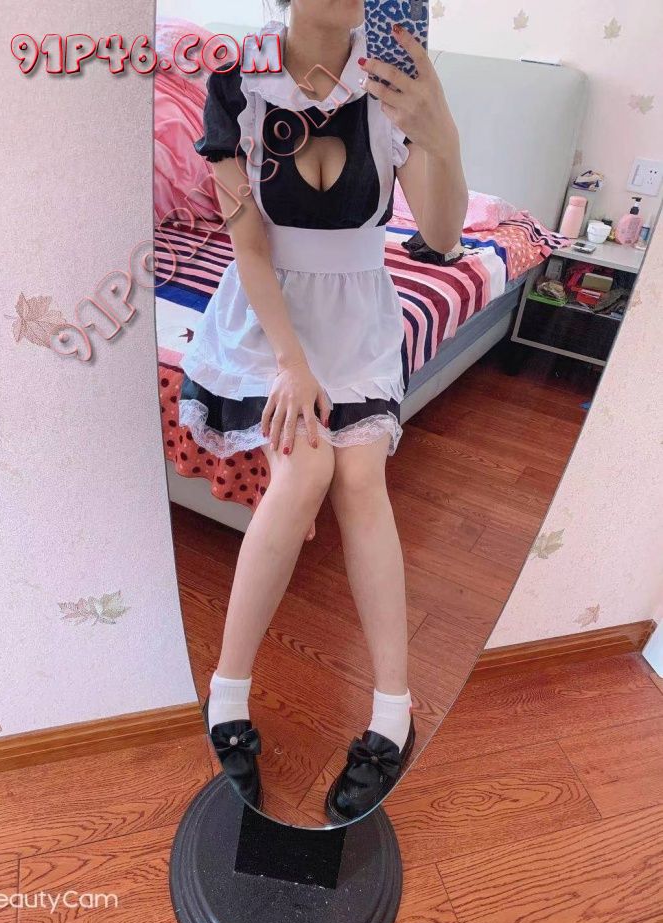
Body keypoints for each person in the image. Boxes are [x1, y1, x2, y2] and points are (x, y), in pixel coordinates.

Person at [179, 0, 467, 821]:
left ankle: (393, 715)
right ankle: (226, 700)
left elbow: (444, 235)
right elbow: (248, 241)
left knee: (361, 478)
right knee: (304, 470)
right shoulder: (236, 81)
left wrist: (440, 128)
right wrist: (291, 363)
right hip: (268, 320)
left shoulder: (394, 84)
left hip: (358, 319)